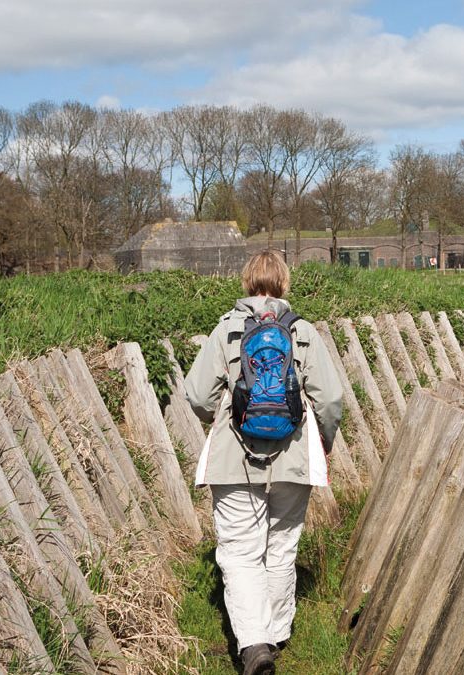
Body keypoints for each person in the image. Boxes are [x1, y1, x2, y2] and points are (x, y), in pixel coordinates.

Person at [185, 251, 343, 675]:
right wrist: (322, 441)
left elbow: (197, 395)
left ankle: (254, 645)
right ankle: (276, 633)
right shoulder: (304, 332)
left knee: (239, 551)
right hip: (293, 456)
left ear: (246, 283)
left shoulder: (225, 330)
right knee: (281, 546)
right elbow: (330, 398)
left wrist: (223, 416)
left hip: (233, 456)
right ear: (284, 284)